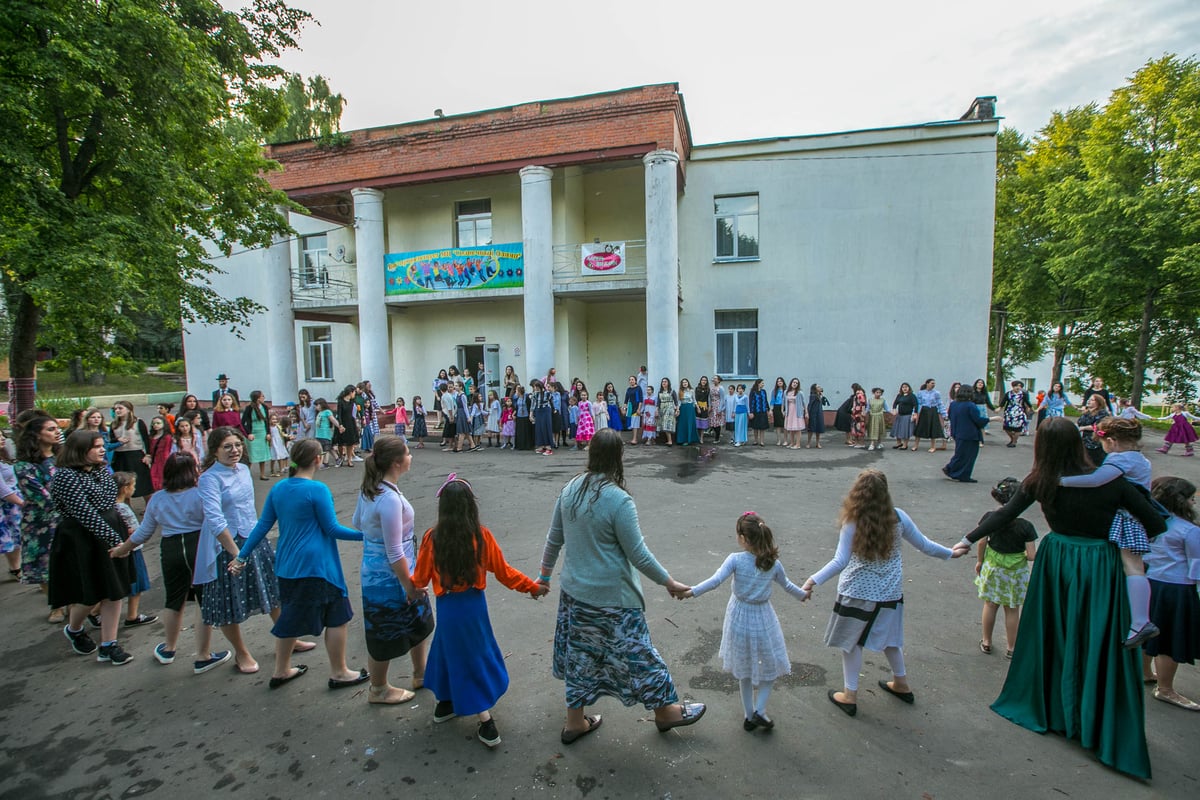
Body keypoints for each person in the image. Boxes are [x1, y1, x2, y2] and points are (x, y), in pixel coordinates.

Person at [954, 416, 1167, 779]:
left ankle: (1055, 708)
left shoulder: (1040, 481)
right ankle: (1095, 718)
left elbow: (1005, 513)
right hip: (1099, 566)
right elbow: (1155, 522)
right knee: (1095, 639)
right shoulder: (1112, 479)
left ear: (1042, 447)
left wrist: (968, 540)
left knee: (1056, 635)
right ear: (1078, 443)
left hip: (1058, 563)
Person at [538, 429, 706, 745]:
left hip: (574, 597)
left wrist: (544, 578)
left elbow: (553, 540)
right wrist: (668, 582)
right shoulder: (619, 500)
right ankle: (667, 712)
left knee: (580, 657)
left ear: (590, 453)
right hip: (613, 601)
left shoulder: (570, 489)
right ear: (618, 458)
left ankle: (575, 721)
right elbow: (638, 554)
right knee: (640, 655)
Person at [804, 470, 961, 718]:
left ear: (858, 493)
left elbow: (840, 560)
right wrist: (951, 553)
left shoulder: (853, 521)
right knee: (891, 639)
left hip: (856, 591)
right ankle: (901, 683)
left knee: (851, 642)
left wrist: (813, 580)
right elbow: (925, 545)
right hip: (889, 592)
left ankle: (850, 695)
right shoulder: (898, 518)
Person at [414, 475, 547, 748]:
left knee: (451, 651)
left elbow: (420, 578)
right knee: (472, 657)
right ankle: (485, 720)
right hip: (474, 605)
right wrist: (531, 587)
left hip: (448, 606)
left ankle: (446, 702)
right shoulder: (481, 536)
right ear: (470, 506)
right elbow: (504, 572)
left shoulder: (432, 537)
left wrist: (411, 588)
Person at [230, 439, 367, 690]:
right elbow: (332, 528)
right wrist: (368, 536)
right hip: (317, 565)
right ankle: (340, 671)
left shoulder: (279, 488)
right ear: (317, 459)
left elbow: (262, 526)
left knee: (290, 617)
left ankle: (282, 669)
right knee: (338, 617)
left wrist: (242, 555)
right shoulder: (317, 490)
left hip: (287, 565)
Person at [679, 512, 808, 731]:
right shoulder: (773, 564)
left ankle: (749, 716)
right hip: (763, 618)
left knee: (745, 670)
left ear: (743, 538)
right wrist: (803, 594)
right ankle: (760, 710)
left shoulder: (735, 559)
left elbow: (715, 580)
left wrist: (691, 592)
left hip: (738, 616)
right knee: (771, 664)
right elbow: (787, 586)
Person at [108, 453, 232, 674]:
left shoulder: (157, 498)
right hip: (199, 546)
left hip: (171, 548)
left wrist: (122, 550)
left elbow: (144, 532)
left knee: (174, 600)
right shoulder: (201, 494)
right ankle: (203, 655)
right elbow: (215, 521)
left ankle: (169, 648)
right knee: (204, 600)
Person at [197, 427, 307, 676]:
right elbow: (215, 520)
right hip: (227, 546)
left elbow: (249, 507)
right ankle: (242, 652)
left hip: (253, 537)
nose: (234, 450)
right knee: (228, 601)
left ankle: (288, 637)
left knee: (273, 589)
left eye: (237, 445)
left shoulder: (244, 470)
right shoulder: (209, 478)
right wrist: (237, 553)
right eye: (227, 446)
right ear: (215, 450)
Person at [1060, 416, 1159, 647]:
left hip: (1128, 518)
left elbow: (1097, 480)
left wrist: (1060, 481)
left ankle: (1140, 621)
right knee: (1133, 565)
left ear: (1112, 441)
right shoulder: (1140, 459)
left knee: (1132, 566)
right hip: (1135, 516)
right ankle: (1139, 619)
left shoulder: (1120, 459)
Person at [352, 435, 431, 704]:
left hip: (386, 568)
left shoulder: (373, 489)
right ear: (397, 463)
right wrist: (409, 583)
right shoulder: (388, 499)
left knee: (417, 622)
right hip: (391, 575)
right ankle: (378, 688)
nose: (411, 458)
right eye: (408, 454)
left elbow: (358, 524)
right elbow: (394, 550)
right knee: (383, 631)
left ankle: (421, 672)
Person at [49, 431, 136, 665]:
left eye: (101, 445)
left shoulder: (100, 471)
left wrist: (124, 534)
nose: (101, 449)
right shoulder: (65, 477)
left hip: (109, 531)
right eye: (96, 446)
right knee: (89, 594)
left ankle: (109, 645)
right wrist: (116, 542)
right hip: (81, 539)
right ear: (79, 450)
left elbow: (109, 501)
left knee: (115, 589)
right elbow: (85, 514)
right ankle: (75, 628)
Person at [1142, 477, 1200, 711]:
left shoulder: (1149, 521)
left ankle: (1145, 671)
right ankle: (1165, 688)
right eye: (1190, 497)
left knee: (1145, 630)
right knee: (1170, 640)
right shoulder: (1188, 530)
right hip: (1177, 588)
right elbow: (1196, 564)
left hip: (1147, 582)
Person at [973, 477, 1038, 658]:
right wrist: (1023, 555)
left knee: (990, 604)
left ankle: (986, 641)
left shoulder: (989, 518)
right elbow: (1032, 555)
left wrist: (980, 561)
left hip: (993, 567)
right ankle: (1012, 647)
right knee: (1012, 609)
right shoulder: (1026, 526)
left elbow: (981, 542)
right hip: (1015, 571)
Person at [15, 413, 63, 620]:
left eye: (57, 428)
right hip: (41, 521)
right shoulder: (24, 466)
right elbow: (44, 498)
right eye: (51, 429)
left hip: (67, 517)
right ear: (36, 435)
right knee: (45, 564)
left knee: (67, 561)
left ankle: (72, 600)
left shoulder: (62, 458)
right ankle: (56, 605)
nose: (57, 432)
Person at [111, 472, 157, 628]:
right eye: (133, 485)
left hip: (122, 549)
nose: (134, 488)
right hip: (132, 549)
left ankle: (96, 612)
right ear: (125, 489)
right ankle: (132, 615)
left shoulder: (110, 506)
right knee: (136, 583)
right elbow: (136, 531)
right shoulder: (122, 508)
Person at [108, 401, 153, 501]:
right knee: (122, 484)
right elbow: (111, 440)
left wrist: (148, 455)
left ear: (128, 409)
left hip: (136, 455)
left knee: (143, 484)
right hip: (120, 456)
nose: (117, 410)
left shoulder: (138, 422)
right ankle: (127, 509)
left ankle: (149, 507)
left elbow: (146, 439)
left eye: (120, 408)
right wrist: (117, 440)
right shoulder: (114, 424)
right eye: (115, 409)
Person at [943, 385, 988, 483]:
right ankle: (962, 474)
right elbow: (978, 420)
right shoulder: (970, 405)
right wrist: (991, 419)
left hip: (957, 432)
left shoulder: (954, 404)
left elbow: (950, 416)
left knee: (960, 454)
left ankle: (951, 469)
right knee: (969, 456)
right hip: (970, 434)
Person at [0, 434, 25, 580]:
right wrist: (23, 503)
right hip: (8, 502)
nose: (2, 438)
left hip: (13, 503)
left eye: (2, 436)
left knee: (15, 536)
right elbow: (3, 490)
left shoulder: (5, 455)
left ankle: (15, 568)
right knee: (5, 539)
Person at [241, 390, 272, 480]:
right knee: (251, 455)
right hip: (253, 433)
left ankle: (262, 474)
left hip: (262, 432)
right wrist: (248, 433)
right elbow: (243, 422)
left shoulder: (265, 407)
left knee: (263, 454)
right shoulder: (249, 408)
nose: (264, 398)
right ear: (257, 398)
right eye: (262, 396)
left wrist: (268, 433)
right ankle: (245, 475)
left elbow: (267, 421)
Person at [1076, 393, 1110, 467]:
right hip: (1084, 440)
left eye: (1092, 400)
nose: (1089, 401)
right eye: (1089, 399)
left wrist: (1083, 428)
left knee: (1095, 462)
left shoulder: (1102, 413)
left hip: (1095, 442)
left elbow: (1098, 426)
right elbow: (1079, 423)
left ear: (1098, 402)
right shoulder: (1086, 412)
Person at [911, 379, 945, 452]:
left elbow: (940, 403)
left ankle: (933, 446)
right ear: (927, 383)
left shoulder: (936, 393)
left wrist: (944, 413)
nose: (933, 385)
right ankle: (915, 445)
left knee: (933, 429)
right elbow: (918, 404)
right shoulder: (920, 393)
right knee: (919, 428)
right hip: (924, 411)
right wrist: (915, 413)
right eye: (932, 383)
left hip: (933, 411)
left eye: (934, 383)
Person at [1001, 381, 1033, 448]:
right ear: (1013, 386)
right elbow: (1003, 402)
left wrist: (1032, 408)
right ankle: (1012, 439)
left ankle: (1014, 442)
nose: (1018, 387)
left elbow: (1027, 402)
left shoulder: (1023, 394)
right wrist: (999, 408)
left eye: (1020, 386)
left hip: (1019, 412)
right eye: (1016, 386)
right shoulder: (1008, 394)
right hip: (1009, 413)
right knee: (1006, 428)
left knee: (1018, 428)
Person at [145, 416, 173, 491]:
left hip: (163, 460)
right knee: (153, 478)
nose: (156, 425)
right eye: (154, 423)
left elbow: (167, 450)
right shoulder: (151, 436)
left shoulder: (167, 437)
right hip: (154, 460)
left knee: (163, 478)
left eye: (158, 423)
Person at [334, 385, 360, 466]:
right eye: (354, 392)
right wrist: (340, 425)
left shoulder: (353, 402)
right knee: (341, 443)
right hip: (342, 423)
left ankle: (349, 460)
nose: (355, 394)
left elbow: (355, 414)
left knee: (350, 443)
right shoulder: (341, 402)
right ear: (350, 392)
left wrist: (357, 422)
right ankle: (341, 457)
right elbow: (339, 414)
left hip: (351, 424)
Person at [530, 379, 555, 455]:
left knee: (546, 427)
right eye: (534, 387)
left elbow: (551, 402)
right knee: (539, 428)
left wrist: (554, 409)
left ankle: (548, 447)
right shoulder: (534, 394)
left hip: (546, 410)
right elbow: (533, 405)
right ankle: (541, 445)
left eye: (536, 387)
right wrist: (531, 414)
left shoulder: (547, 393)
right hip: (538, 411)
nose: (535, 388)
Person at [782, 378, 805, 449]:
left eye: (796, 383)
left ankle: (798, 444)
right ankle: (792, 443)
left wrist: (806, 412)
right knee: (791, 428)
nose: (795, 384)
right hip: (789, 412)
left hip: (797, 412)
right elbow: (783, 402)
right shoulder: (786, 392)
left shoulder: (800, 392)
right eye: (793, 382)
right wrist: (783, 410)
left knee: (797, 428)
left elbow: (804, 403)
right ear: (791, 383)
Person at [675, 378, 699, 445]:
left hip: (690, 408)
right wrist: (677, 409)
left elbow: (694, 400)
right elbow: (679, 401)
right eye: (683, 382)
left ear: (688, 383)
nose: (685, 383)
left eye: (686, 382)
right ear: (682, 384)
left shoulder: (691, 390)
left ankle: (690, 439)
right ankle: (682, 439)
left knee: (690, 423)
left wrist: (698, 408)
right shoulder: (680, 391)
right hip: (683, 408)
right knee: (682, 424)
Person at [657, 377, 678, 447]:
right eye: (663, 382)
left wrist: (677, 410)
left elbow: (676, 402)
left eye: (665, 381)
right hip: (662, 409)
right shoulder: (660, 392)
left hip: (669, 408)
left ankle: (670, 441)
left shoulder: (672, 391)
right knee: (663, 424)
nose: (664, 383)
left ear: (668, 383)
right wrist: (657, 410)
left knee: (668, 424)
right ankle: (668, 440)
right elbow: (658, 402)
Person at [747, 378, 769, 447]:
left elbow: (766, 400)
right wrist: (751, 412)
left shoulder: (764, 391)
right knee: (755, 427)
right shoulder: (753, 392)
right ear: (758, 384)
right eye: (762, 383)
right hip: (755, 411)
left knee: (762, 427)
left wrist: (768, 409)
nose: (763, 384)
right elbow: (750, 402)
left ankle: (762, 441)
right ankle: (755, 440)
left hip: (763, 411)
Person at [806, 384, 827, 448]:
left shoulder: (819, 395)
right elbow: (810, 405)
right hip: (813, 413)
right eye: (818, 387)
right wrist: (808, 413)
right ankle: (808, 443)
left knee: (818, 428)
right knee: (811, 429)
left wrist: (822, 396)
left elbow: (824, 403)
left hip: (819, 413)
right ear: (814, 389)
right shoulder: (813, 396)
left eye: (819, 386)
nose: (820, 387)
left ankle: (817, 443)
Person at [624, 376, 644, 445]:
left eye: (632, 379)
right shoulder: (628, 389)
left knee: (635, 423)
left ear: (635, 381)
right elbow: (626, 400)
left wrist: (639, 409)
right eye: (630, 380)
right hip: (630, 407)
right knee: (631, 423)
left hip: (636, 407)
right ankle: (634, 438)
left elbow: (640, 400)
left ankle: (635, 439)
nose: (631, 381)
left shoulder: (638, 388)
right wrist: (624, 409)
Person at [708, 375, 725, 445]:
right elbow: (709, 397)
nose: (714, 379)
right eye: (713, 378)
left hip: (718, 405)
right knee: (712, 421)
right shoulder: (711, 387)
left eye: (715, 378)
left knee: (717, 422)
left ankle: (717, 438)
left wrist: (720, 409)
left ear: (718, 380)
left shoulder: (721, 388)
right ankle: (713, 432)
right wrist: (709, 406)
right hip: (712, 405)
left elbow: (722, 399)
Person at [770, 377, 787, 446]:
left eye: (781, 381)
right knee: (778, 425)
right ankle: (779, 440)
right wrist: (771, 409)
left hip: (785, 407)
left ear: (783, 382)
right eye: (778, 381)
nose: (779, 382)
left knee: (785, 425)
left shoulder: (786, 391)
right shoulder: (774, 391)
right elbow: (772, 401)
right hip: (776, 407)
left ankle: (785, 440)